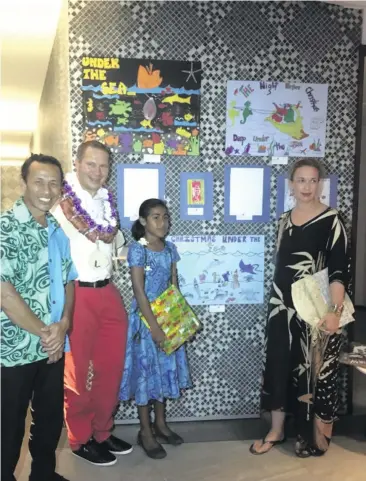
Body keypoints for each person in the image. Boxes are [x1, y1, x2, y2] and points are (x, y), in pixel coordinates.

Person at [250, 158, 349, 457]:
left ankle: (309, 436)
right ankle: (276, 430)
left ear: (320, 184)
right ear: (291, 184)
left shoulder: (333, 220)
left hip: (316, 311)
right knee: (279, 364)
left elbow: (339, 270)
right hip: (281, 307)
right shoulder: (283, 220)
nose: (307, 186)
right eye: (301, 180)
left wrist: (333, 311)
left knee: (311, 372)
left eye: (312, 180)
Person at [52, 140, 131, 466]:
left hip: (107, 290)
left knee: (110, 369)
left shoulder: (106, 201)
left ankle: (102, 430)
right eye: (91, 164)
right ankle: (80, 438)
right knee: (78, 372)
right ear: (77, 163)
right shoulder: (61, 203)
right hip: (77, 292)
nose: (98, 172)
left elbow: (117, 245)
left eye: (103, 166)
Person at [1, 154, 78, 481]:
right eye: (39, 181)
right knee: (8, 426)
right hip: (17, 348)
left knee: (48, 420)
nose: (47, 190)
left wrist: (64, 324)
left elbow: (69, 279)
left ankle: (43, 475)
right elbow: (5, 294)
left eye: (54, 183)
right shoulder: (7, 227)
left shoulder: (57, 227)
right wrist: (48, 334)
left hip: (53, 346)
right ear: (24, 184)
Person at [119, 198, 191, 459]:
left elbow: (174, 287)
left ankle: (161, 424)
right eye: (156, 217)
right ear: (143, 221)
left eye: (165, 217)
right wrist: (154, 327)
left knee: (164, 373)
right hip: (145, 322)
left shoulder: (170, 249)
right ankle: (145, 431)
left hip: (168, 318)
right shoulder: (139, 250)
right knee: (145, 375)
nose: (162, 222)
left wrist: (180, 322)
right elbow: (139, 291)